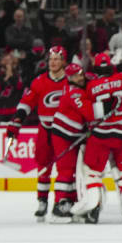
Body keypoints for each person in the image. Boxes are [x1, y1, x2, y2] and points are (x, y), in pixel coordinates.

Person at [70, 52, 122, 224]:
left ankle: (94, 207)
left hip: (101, 136)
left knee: (93, 173)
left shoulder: (91, 86)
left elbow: (89, 113)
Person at [6, 46, 68, 221]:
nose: (53, 62)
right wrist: (17, 120)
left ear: (64, 61)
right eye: (51, 59)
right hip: (45, 130)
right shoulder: (39, 81)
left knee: (65, 169)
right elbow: (26, 102)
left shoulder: (70, 81)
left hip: (65, 132)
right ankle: (42, 201)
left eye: (57, 58)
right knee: (43, 166)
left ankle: (62, 201)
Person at [48, 63, 92, 223]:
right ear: (71, 77)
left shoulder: (73, 89)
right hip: (63, 135)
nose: (81, 78)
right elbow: (89, 113)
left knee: (73, 170)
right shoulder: (74, 94)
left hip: (70, 134)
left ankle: (69, 202)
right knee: (66, 170)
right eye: (78, 75)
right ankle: (58, 205)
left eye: (81, 74)